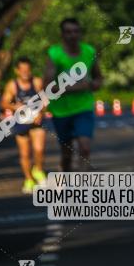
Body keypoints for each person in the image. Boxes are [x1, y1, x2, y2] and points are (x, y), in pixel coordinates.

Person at [44, 18, 103, 172]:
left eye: (76, 31)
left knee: (85, 149)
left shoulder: (89, 51)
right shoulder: (55, 54)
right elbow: (47, 86)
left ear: (80, 33)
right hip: (61, 110)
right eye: (68, 32)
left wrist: (93, 84)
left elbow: (98, 78)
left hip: (83, 108)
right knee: (67, 154)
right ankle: (67, 179)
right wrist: (75, 87)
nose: (73, 35)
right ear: (62, 34)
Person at [0, 57, 47, 193]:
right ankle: (29, 179)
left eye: (28, 69)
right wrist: (15, 106)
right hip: (21, 122)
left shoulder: (37, 82)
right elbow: (4, 102)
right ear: (17, 70)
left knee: (39, 149)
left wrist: (41, 113)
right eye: (22, 70)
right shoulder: (12, 85)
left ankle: (38, 169)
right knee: (25, 154)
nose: (25, 72)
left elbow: (45, 99)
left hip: (37, 121)